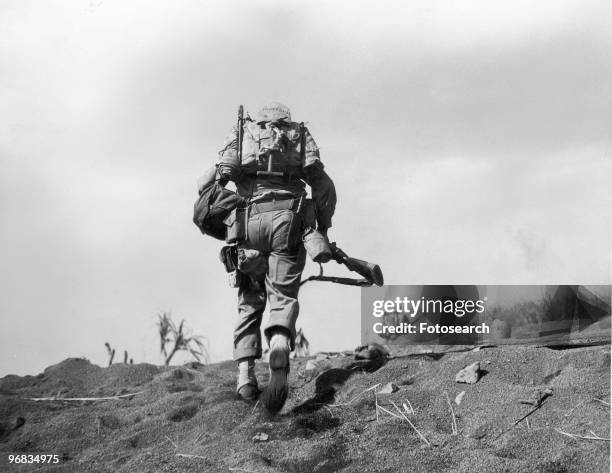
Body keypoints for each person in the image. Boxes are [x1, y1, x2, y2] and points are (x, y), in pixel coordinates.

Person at [198, 102, 336, 412]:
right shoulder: (299, 134)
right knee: (283, 296)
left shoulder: (243, 133)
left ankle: (246, 378)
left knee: (249, 297)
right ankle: (277, 344)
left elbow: (208, 184)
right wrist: (322, 228)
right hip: (288, 220)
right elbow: (324, 185)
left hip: (248, 223)